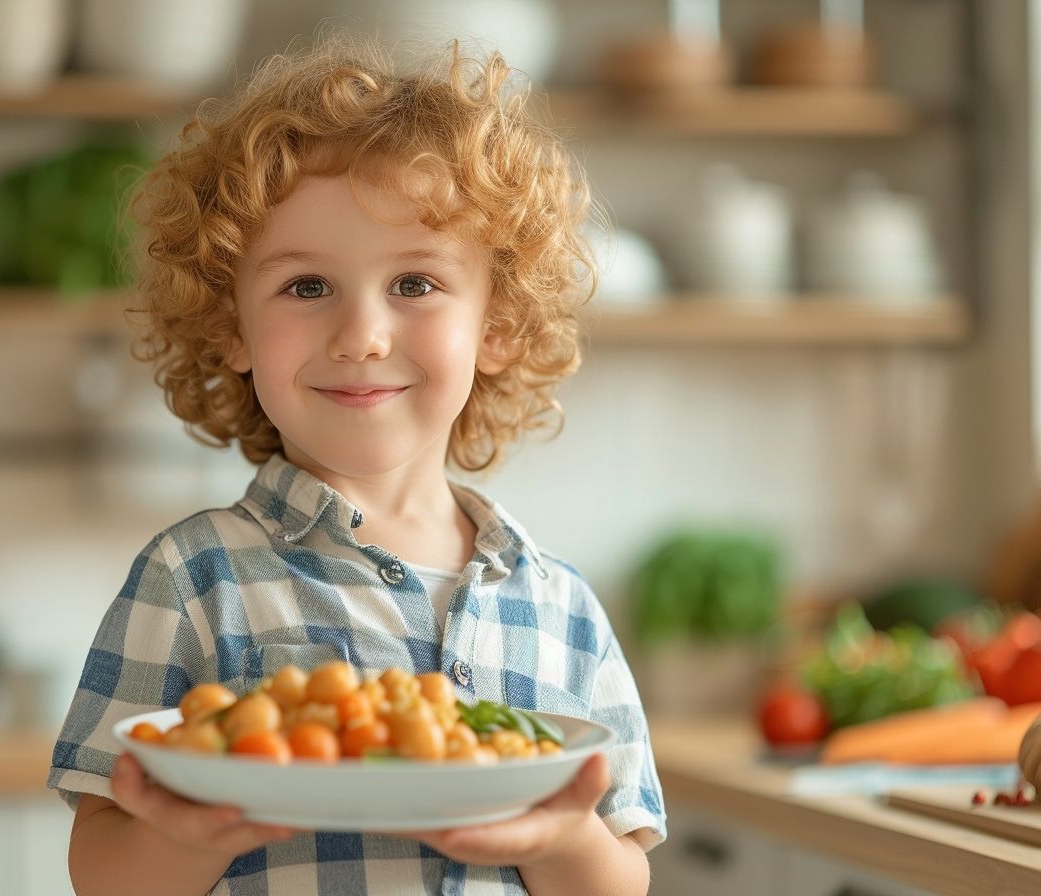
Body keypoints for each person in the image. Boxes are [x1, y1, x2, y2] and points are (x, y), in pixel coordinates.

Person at [48, 32, 666, 896]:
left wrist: (561, 838)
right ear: (231, 326)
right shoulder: (192, 578)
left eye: (415, 284)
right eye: (306, 287)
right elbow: (102, 872)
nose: (362, 335)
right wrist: (203, 832)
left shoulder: (560, 606)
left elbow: (621, 876)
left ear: (498, 326)